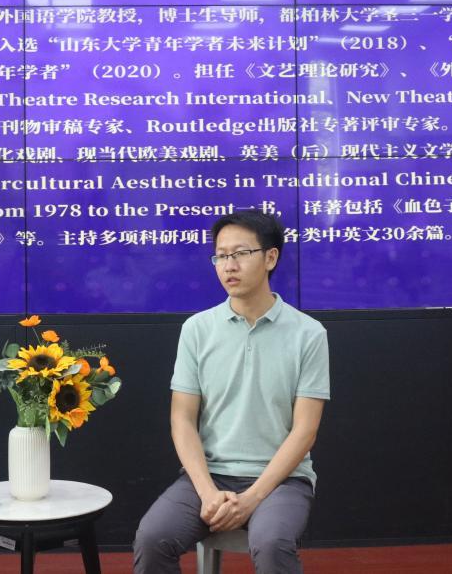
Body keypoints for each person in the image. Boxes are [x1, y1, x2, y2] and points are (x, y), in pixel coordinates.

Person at [133, 209, 330, 574]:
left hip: (282, 479)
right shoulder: (197, 329)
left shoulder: (309, 334)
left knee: (272, 544)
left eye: (240, 253)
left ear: (270, 257)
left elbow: (306, 430)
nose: (229, 266)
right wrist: (207, 492)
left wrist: (252, 498)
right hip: (210, 473)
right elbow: (182, 419)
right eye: (221, 256)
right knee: (153, 537)